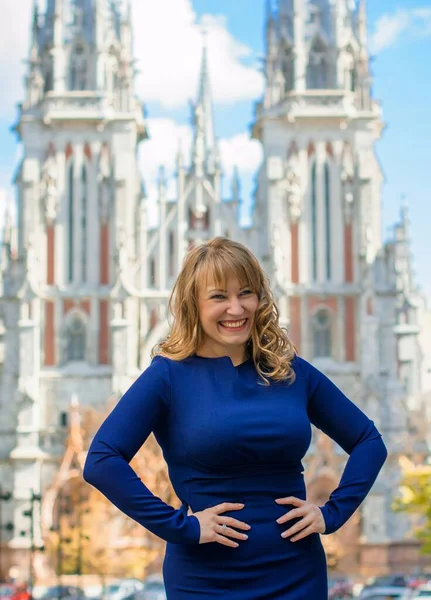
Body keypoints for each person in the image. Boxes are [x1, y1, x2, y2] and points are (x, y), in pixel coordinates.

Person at [83, 237, 388, 599]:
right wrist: (180, 526)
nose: (236, 307)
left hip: (296, 571)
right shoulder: (167, 376)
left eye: (246, 292)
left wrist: (332, 513)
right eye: (218, 297)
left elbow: (369, 441)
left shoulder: (291, 373)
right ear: (193, 305)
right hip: (205, 578)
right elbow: (101, 461)